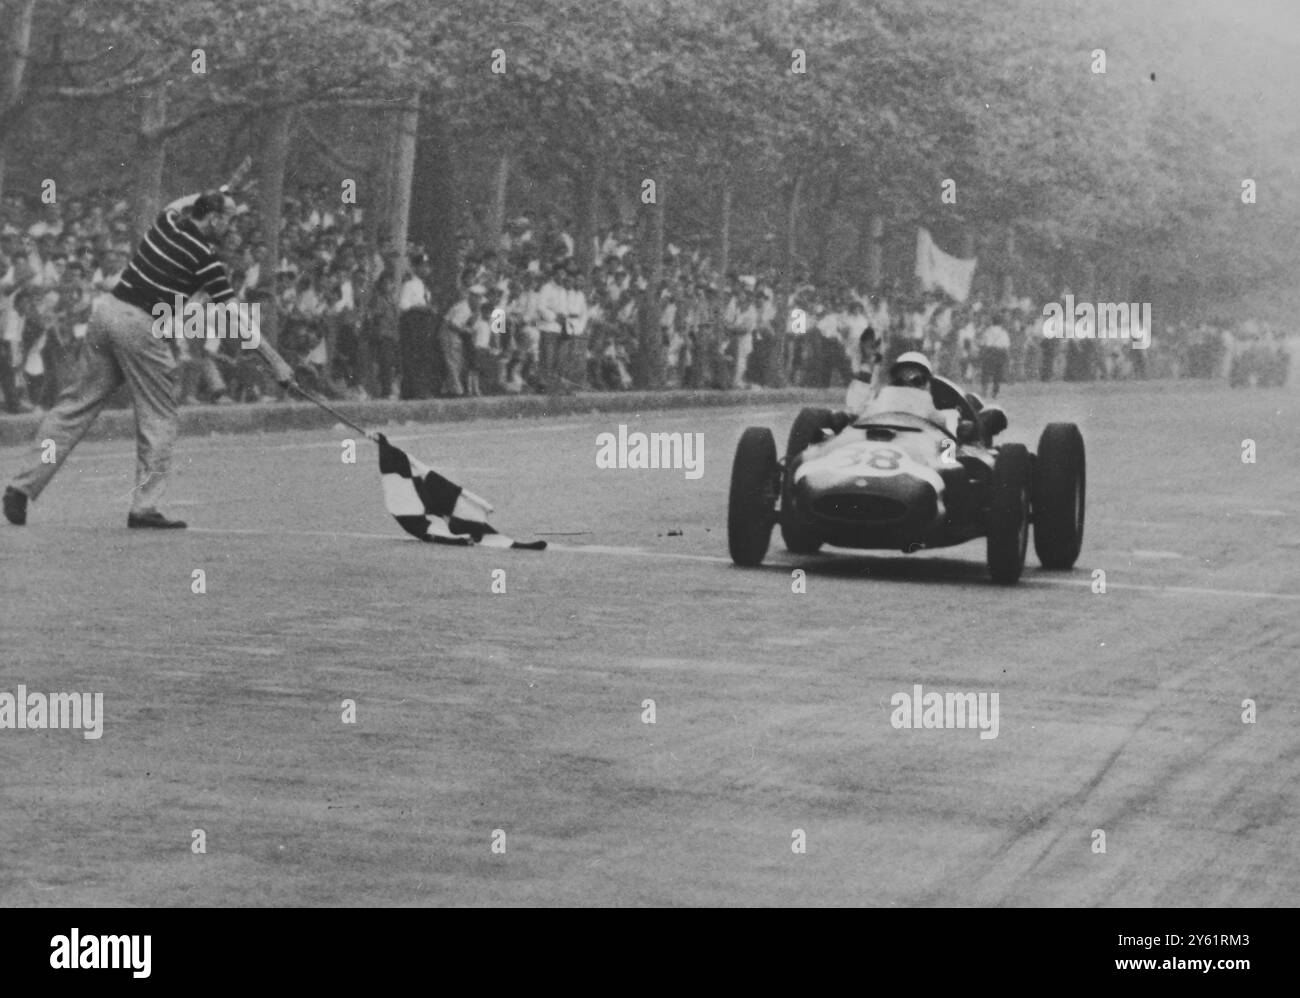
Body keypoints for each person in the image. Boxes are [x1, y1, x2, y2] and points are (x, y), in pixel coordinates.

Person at [3, 188, 296, 529]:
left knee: (74, 406)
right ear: (213, 218)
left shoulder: (167, 223)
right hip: (142, 325)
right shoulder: (207, 260)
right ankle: (144, 507)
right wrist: (276, 362)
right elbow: (237, 318)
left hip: (106, 313)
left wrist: (215, 192)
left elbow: (178, 203)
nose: (231, 228)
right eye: (227, 220)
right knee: (159, 413)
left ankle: (20, 487)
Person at [850, 351, 959, 435]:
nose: (908, 386)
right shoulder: (881, 404)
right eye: (900, 381)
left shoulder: (939, 416)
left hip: (921, 449)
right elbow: (861, 418)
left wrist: (948, 459)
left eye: (916, 380)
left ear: (927, 383)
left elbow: (947, 448)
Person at [980, 313, 1011, 398]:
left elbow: (983, 344)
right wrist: (1007, 357)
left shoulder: (987, 331)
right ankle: (995, 392)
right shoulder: (1003, 332)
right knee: (998, 374)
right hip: (1000, 353)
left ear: (992, 321)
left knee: (986, 372)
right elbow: (1006, 346)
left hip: (990, 352)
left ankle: (984, 391)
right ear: (1001, 322)